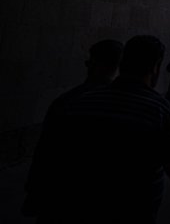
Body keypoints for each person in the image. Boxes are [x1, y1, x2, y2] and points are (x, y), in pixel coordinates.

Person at [24, 35, 170, 224]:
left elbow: (46, 155)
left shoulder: (78, 101)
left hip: (70, 208)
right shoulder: (158, 109)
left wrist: (35, 197)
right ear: (155, 68)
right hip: (131, 211)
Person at [22, 39, 124, 219]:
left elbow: (45, 152)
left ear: (92, 64)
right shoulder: (127, 106)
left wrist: (34, 193)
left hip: (61, 198)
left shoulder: (66, 101)